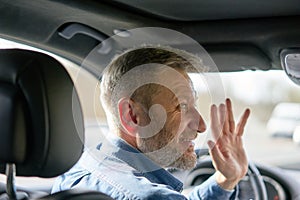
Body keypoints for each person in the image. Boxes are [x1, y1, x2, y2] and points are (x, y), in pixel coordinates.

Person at [52, 45, 250, 199]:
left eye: (194, 105)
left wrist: (225, 180)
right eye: (181, 106)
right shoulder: (151, 196)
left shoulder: (79, 171)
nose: (201, 126)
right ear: (132, 116)